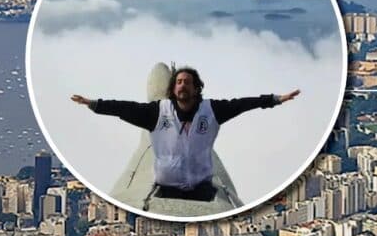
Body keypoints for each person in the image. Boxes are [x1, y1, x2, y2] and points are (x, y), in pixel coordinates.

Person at [73, 66, 299, 202]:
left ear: (196, 88)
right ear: (172, 89)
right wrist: (93, 104)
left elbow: (243, 104)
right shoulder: (156, 112)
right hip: (166, 188)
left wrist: (275, 99)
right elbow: (123, 108)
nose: (183, 86)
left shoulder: (211, 111)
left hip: (203, 188)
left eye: (188, 83)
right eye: (179, 82)